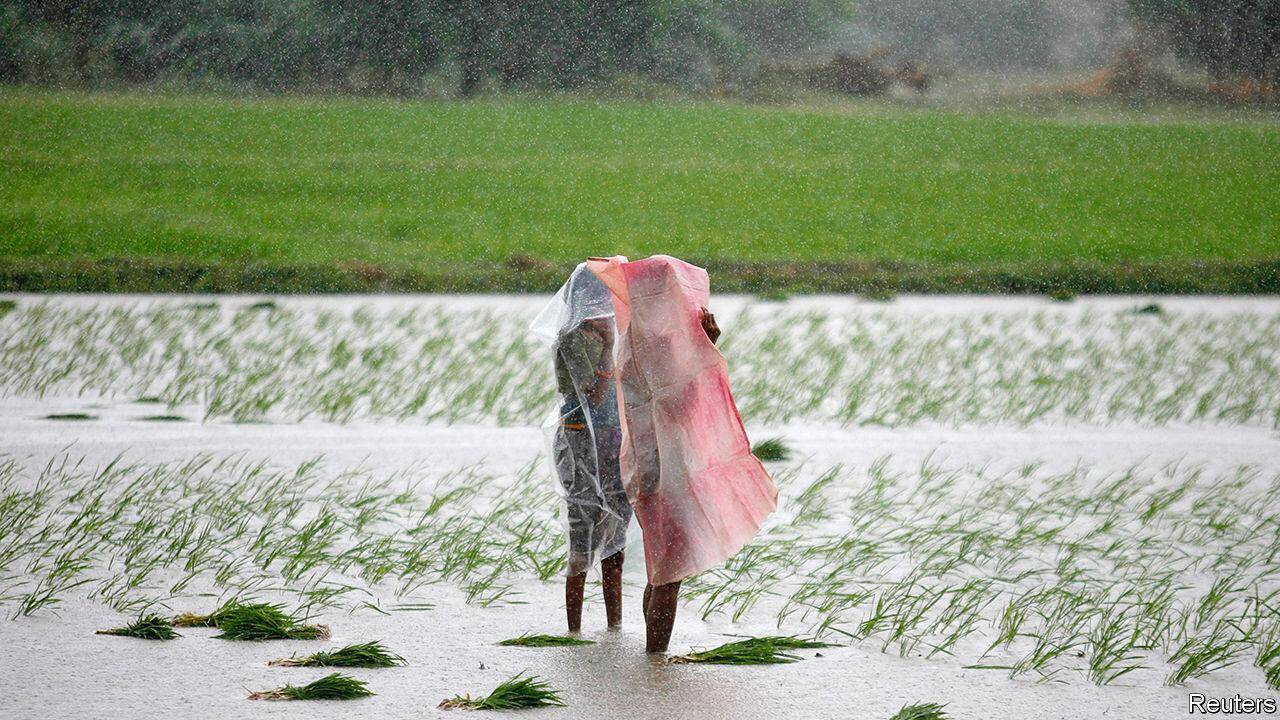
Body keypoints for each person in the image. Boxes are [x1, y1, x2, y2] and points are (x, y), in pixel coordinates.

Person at [587, 255, 776, 653]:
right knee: (668, 572)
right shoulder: (659, 345)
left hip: (646, 467)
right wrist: (707, 347)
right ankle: (656, 662)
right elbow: (681, 401)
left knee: (661, 570)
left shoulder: (632, 339)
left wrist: (701, 346)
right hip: (666, 471)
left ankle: (653, 659)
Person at [530, 264, 631, 632]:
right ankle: (574, 632)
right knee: (583, 539)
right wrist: (606, 347)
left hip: (610, 441)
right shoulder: (575, 337)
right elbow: (595, 393)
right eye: (605, 296)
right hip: (581, 443)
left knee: (615, 540)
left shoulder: (600, 331)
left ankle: (613, 628)